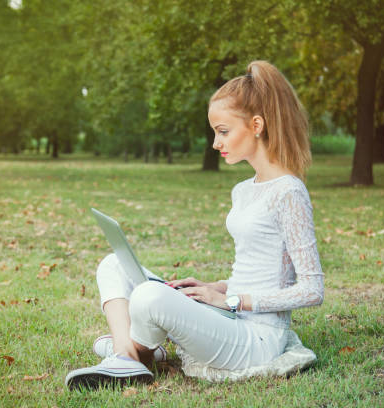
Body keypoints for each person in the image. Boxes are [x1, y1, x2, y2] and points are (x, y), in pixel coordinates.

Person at [65, 60, 324, 390]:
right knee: (113, 264)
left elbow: (312, 290)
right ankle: (131, 354)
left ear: (257, 124)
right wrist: (216, 288)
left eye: (223, 131)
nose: (216, 143)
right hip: (227, 316)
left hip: (256, 338)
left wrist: (233, 302)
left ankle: (129, 352)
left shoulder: (289, 192)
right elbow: (255, 270)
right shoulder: (244, 190)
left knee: (148, 297)